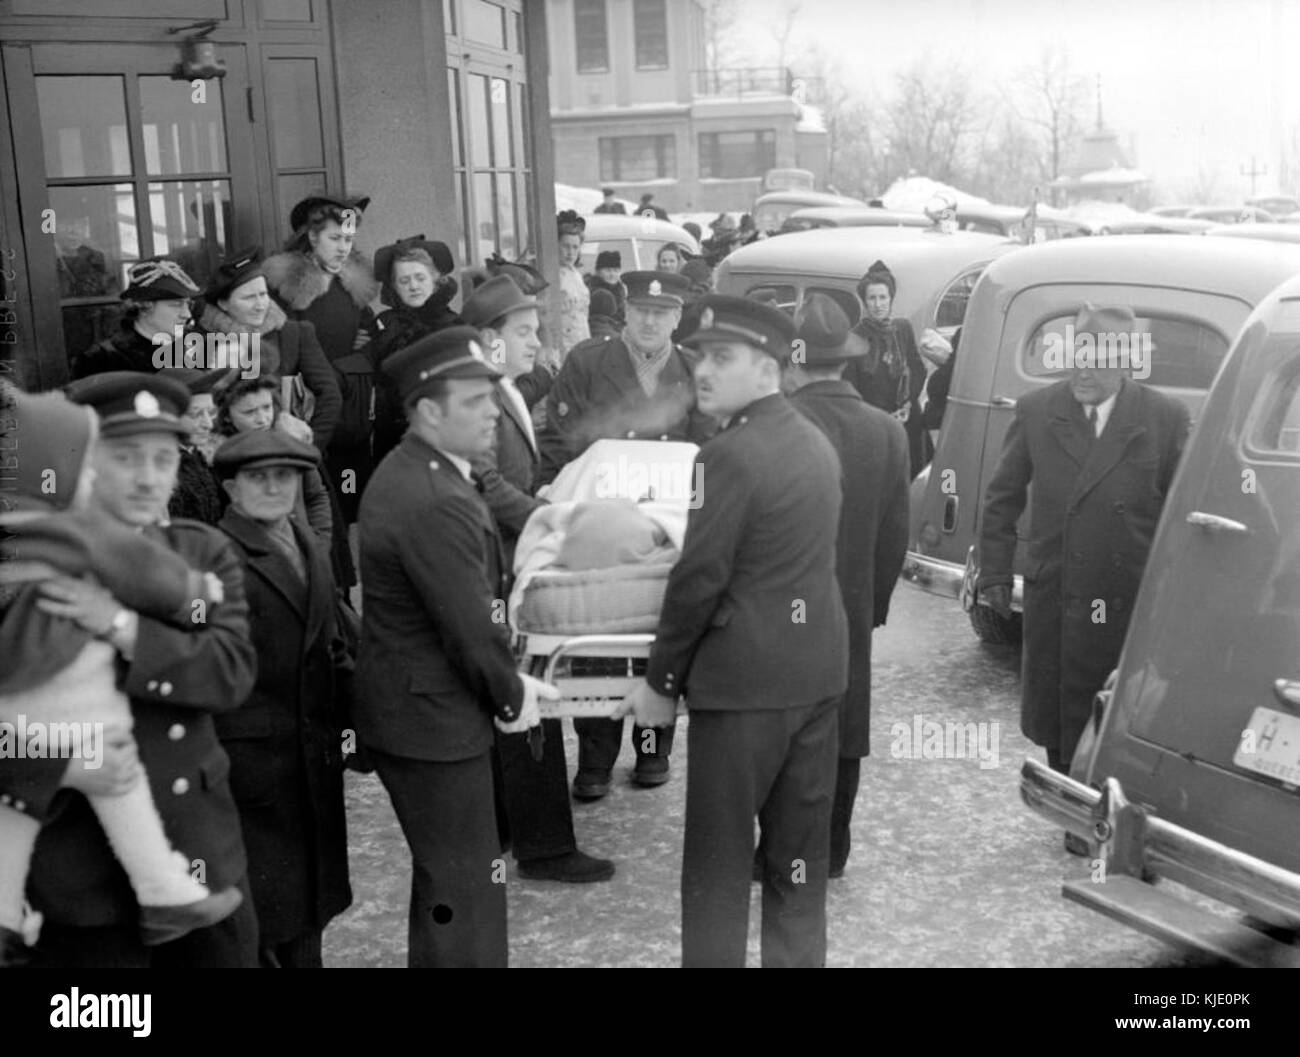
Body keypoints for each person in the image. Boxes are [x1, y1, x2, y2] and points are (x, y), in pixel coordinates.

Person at [2, 372, 259, 968]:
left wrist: (119, 624)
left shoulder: (200, 555)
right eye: (125, 457)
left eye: (164, 458)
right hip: (77, 878)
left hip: (199, 859)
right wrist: (60, 766)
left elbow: (229, 671)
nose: (149, 478)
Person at [623, 294, 849, 968]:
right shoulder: (814, 440)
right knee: (797, 863)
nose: (704, 372)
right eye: (700, 359)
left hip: (743, 690)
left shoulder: (723, 456)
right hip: (814, 678)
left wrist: (661, 683)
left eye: (723, 358)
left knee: (718, 870)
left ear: (770, 368)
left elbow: (698, 579)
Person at [353, 326, 559, 967]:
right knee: (468, 884)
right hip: (431, 720)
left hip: (421, 713)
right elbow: (469, 627)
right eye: (475, 403)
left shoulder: (427, 471)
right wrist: (513, 691)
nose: (493, 412)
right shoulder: (437, 495)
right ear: (429, 411)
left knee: (452, 878)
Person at [977, 304, 1190, 851]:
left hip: (1126, 595)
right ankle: (1075, 813)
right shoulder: (1037, 410)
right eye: (1077, 358)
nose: (1082, 373)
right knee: (1062, 705)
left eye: (1097, 362)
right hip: (1060, 590)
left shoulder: (1164, 418)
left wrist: (1174, 596)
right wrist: (995, 575)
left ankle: (1119, 813)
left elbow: (1178, 513)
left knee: (1119, 706)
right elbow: (1002, 499)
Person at [460, 275, 616, 884]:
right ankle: (545, 847)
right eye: (524, 331)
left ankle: (510, 830)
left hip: (508, 562)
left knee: (515, 699)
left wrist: (542, 494)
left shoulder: (503, 388)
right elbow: (482, 481)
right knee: (527, 700)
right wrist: (546, 514)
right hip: (495, 573)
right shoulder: (478, 392)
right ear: (487, 338)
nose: (537, 341)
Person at [538, 270, 715, 797]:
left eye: (661, 313)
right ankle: (594, 757)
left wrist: (694, 517)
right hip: (603, 521)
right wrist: (563, 498)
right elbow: (559, 439)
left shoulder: (693, 369)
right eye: (640, 311)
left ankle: (651, 746)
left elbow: (707, 451)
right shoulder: (588, 363)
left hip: (666, 523)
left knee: (662, 631)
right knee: (601, 632)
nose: (650, 321)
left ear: (677, 318)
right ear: (625, 315)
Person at [214, 430, 353, 967]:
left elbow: (332, 648)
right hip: (255, 771)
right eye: (258, 477)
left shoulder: (304, 542)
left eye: (286, 476)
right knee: (267, 921)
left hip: (310, 762)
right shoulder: (220, 558)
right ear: (231, 488)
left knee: (308, 911)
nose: (274, 487)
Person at [783, 295, 910, 878]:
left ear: (794, 359)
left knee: (782, 725)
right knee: (844, 724)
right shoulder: (888, 432)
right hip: (851, 604)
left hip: (780, 608)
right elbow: (894, 537)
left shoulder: (774, 425)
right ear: (847, 361)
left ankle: (783, 852)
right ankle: (832, 852)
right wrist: (872, 606)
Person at [262, 192, 379, 523]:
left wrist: (352, 364)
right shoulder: (286, 288)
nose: (343, 248)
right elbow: (280, 351)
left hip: (352, 413)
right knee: (321, 503)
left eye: (348, 239)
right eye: (334, 238)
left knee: (350, 492)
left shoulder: (352, 286)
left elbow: (370, 337)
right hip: (310, 410)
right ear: (312, 237)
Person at [195, 246, 342, 452]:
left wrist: (308, 449)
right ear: (223, 304)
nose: (260, 305)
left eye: (263, 295)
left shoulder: (294, 333)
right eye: (248, 298)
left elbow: (329, 395)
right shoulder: (202, 341)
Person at [366, 235, 463, 466]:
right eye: (404, 280)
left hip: (439, 437)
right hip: (390, 440)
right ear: (394, 287)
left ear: (435, 279)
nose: (413, 286)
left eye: (420, 278)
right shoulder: (383, 325)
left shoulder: (454, 326)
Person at [214, 376, 335, 558]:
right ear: (227, 417)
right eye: (249, 412)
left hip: (305, 551)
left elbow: (316, 496)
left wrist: (319, 542)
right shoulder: (222, 460)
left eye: (267, 407)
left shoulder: (290, 444)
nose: (262, 419)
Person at [842, 259, 930, 478]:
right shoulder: (853, 339)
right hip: (875, 428)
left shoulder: (902, 328)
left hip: (908, 422)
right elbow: (851, 393)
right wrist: (882, 418)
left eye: (883, 297)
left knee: (913, 479)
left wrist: (909, 402)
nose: (878, 304)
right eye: (872, 298)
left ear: (891, 299)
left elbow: (918, 368)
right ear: (864, 302)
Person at [69, 258, 199, 378]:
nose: (187, 314)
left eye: (189, 304)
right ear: (144, 305)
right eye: (176, 305)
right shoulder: (102, 360)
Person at [165, 367, 231, 526]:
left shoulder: (197, 457)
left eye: (211, 412)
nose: (208, 424)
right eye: (195, 415)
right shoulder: (165, 471)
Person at [556, 210, 590, 357]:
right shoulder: (553, 275)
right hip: (564, 346)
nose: (570, 252)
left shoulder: (576, 274)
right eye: (566, 246)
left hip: (581, 341)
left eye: (575, 247)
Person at [586, 250, 626, 321]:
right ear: (598, 272)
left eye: (616, 270)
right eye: (608, 270)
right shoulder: (591, 291)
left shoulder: (621, 290)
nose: (612, 274)